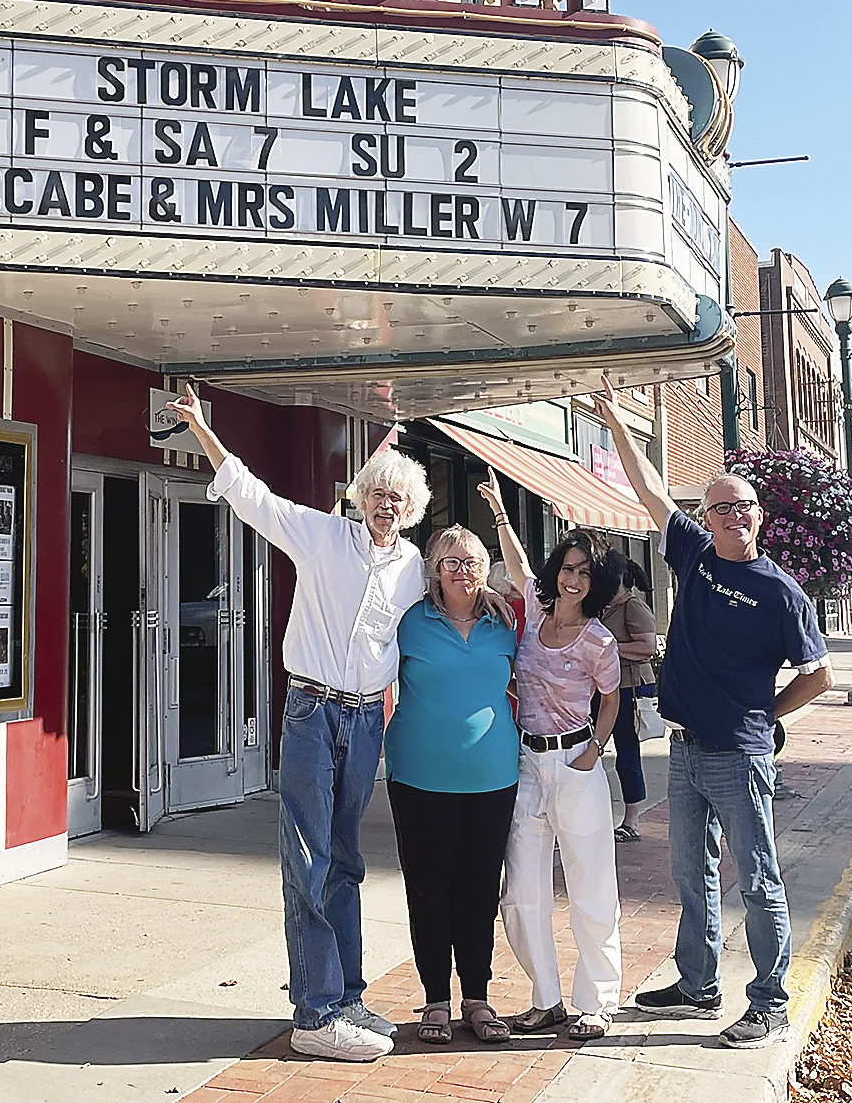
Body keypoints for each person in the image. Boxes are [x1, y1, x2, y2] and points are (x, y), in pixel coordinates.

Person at [167, 384, 437, 1062]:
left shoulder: (413, 568)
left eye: (397, 498)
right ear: (360, 497)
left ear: (411, 510)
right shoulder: (322, 536)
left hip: (365, 719)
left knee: (345, 860)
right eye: (377, 493)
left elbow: (455, 597)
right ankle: (314, 1014)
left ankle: (346, 997)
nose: (385, 504)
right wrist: (202, 429)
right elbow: (251, 495)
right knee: (309, 858)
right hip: (312, 711)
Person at [594, 373, 834, 1049]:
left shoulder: (781, 593)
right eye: (719, 507)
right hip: (685, 749)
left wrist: (768, 714)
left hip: (739, 755)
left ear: (759, 516)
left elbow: (818, 673)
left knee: (755, 878)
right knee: (688, 873)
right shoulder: (695, 555)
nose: (731, 515)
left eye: (742, 506)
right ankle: (697, 983)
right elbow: (648, 489)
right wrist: (618, 425)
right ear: (706, 517)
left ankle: (769, 1002)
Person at [478, 468, 623, 1041]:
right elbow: (517, 565)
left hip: (575, 765)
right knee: (521, 892)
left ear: (597, 582)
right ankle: (546, 999)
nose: (574, 579)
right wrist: (500, 513)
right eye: (568, 568)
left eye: (585, 572)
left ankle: (597, 1001)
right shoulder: (536, 615)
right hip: (527, 765)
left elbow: (611, 700)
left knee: (591, 886)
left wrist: (594, 752)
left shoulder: (599, 641)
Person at [383, 525, 520, 1046]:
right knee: (428, 889)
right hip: (419, 775)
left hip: (493, 776)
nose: (464, 572)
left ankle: (477, 999)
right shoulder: (409, 621)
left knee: (480, 890)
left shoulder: (505, 621)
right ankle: (436, 1000)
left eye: (473, 562)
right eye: (452, 562)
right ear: (435, 570)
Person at [599, 553, 658, 842]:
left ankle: (631, 821)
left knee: (627, 753)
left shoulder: (632, 606)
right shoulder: (603, 606)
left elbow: (648, 647)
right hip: (604, 687)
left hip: (630, 687)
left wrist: (609, 647)